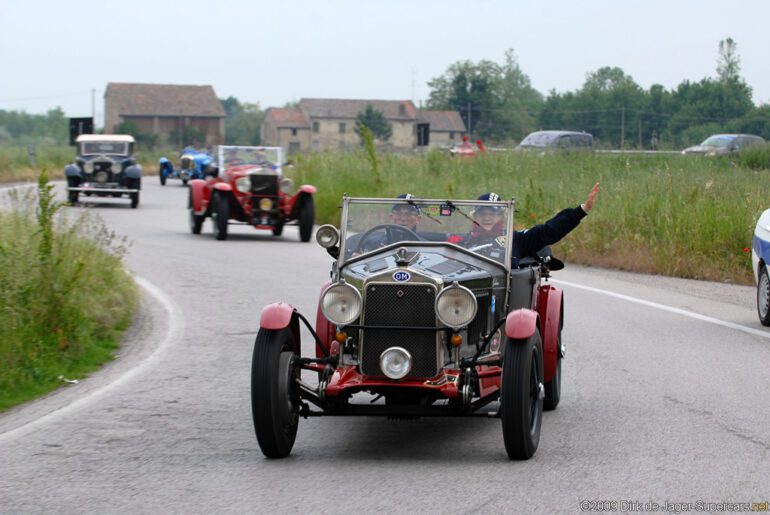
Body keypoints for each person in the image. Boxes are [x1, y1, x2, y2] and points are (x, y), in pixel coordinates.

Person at [449, 183, 600, 265]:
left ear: (501, 216)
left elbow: (548, 231)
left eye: (493, 213)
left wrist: (581, 211)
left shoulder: (515, 239)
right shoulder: (462, 242)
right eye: (483, 213)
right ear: (475, 216)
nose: (487, 218)